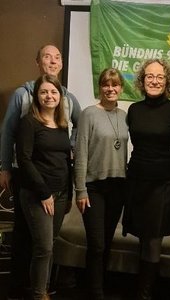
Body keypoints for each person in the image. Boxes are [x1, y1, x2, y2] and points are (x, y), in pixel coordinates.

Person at [0, 44, 81, 299]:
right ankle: (23, 289)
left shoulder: (67, 102)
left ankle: (39, 286)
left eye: (57, 57)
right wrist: (4, 167)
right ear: (38, 62)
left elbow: (78, 128)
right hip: (28, 178)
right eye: (47, 57)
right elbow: (8, 134)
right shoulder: (22, 96)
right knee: (27, 238)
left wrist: (74, 148)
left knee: (43, 242)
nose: (53, 61)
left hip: (57, 185)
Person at [122, 58, 170, 299]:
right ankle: (146, 286)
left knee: (152, 239)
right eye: (149, 76)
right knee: (142, 236)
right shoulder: (134, 109)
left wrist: (164, 168)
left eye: (160, 77)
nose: (154, 80)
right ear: (142, 80)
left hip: (163, 185)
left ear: (168, 81)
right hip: (137, 181)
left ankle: (145, 293)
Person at [16, 74, 73, 300]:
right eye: (44, 92)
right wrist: (44, 193)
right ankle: (39, 294)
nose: (49, 96)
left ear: (60, 96)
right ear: (36, 96)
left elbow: (65, 160)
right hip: (37, 195)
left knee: (51, 245)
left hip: (61, 194)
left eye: (53, 92)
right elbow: (24, 159)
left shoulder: (62, 124)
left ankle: (43, 289)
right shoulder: (29, 122)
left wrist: (67, 194)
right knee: (44, 248)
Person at [74, 68, 128, 300]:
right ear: (100, 87)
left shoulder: (125, 115)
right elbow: (81, 152)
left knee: (106, 243)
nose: (110, 89)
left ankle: (100, 286)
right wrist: (80, 190)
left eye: (115, 85)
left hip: (118, 186)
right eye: (106, 84)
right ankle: (95, 293)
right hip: (93, 187)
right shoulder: (88, 114)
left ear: (121, 89)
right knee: (96, 244)